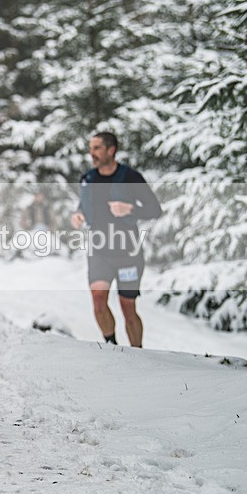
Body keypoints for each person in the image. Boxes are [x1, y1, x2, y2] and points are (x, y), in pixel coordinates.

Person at [70, 132, 162, 348]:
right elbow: (84, 205)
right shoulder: (88, 179)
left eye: (97, 148)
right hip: (99, 250)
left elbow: (155, 209)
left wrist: (130, 209)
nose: (92, 153)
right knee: (99, 301)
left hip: (127, 252)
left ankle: (137, 353)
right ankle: (111, 347)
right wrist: (78, 214)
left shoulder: (130, 177)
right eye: (91, 148)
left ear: (111, 150)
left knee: (127, 307)